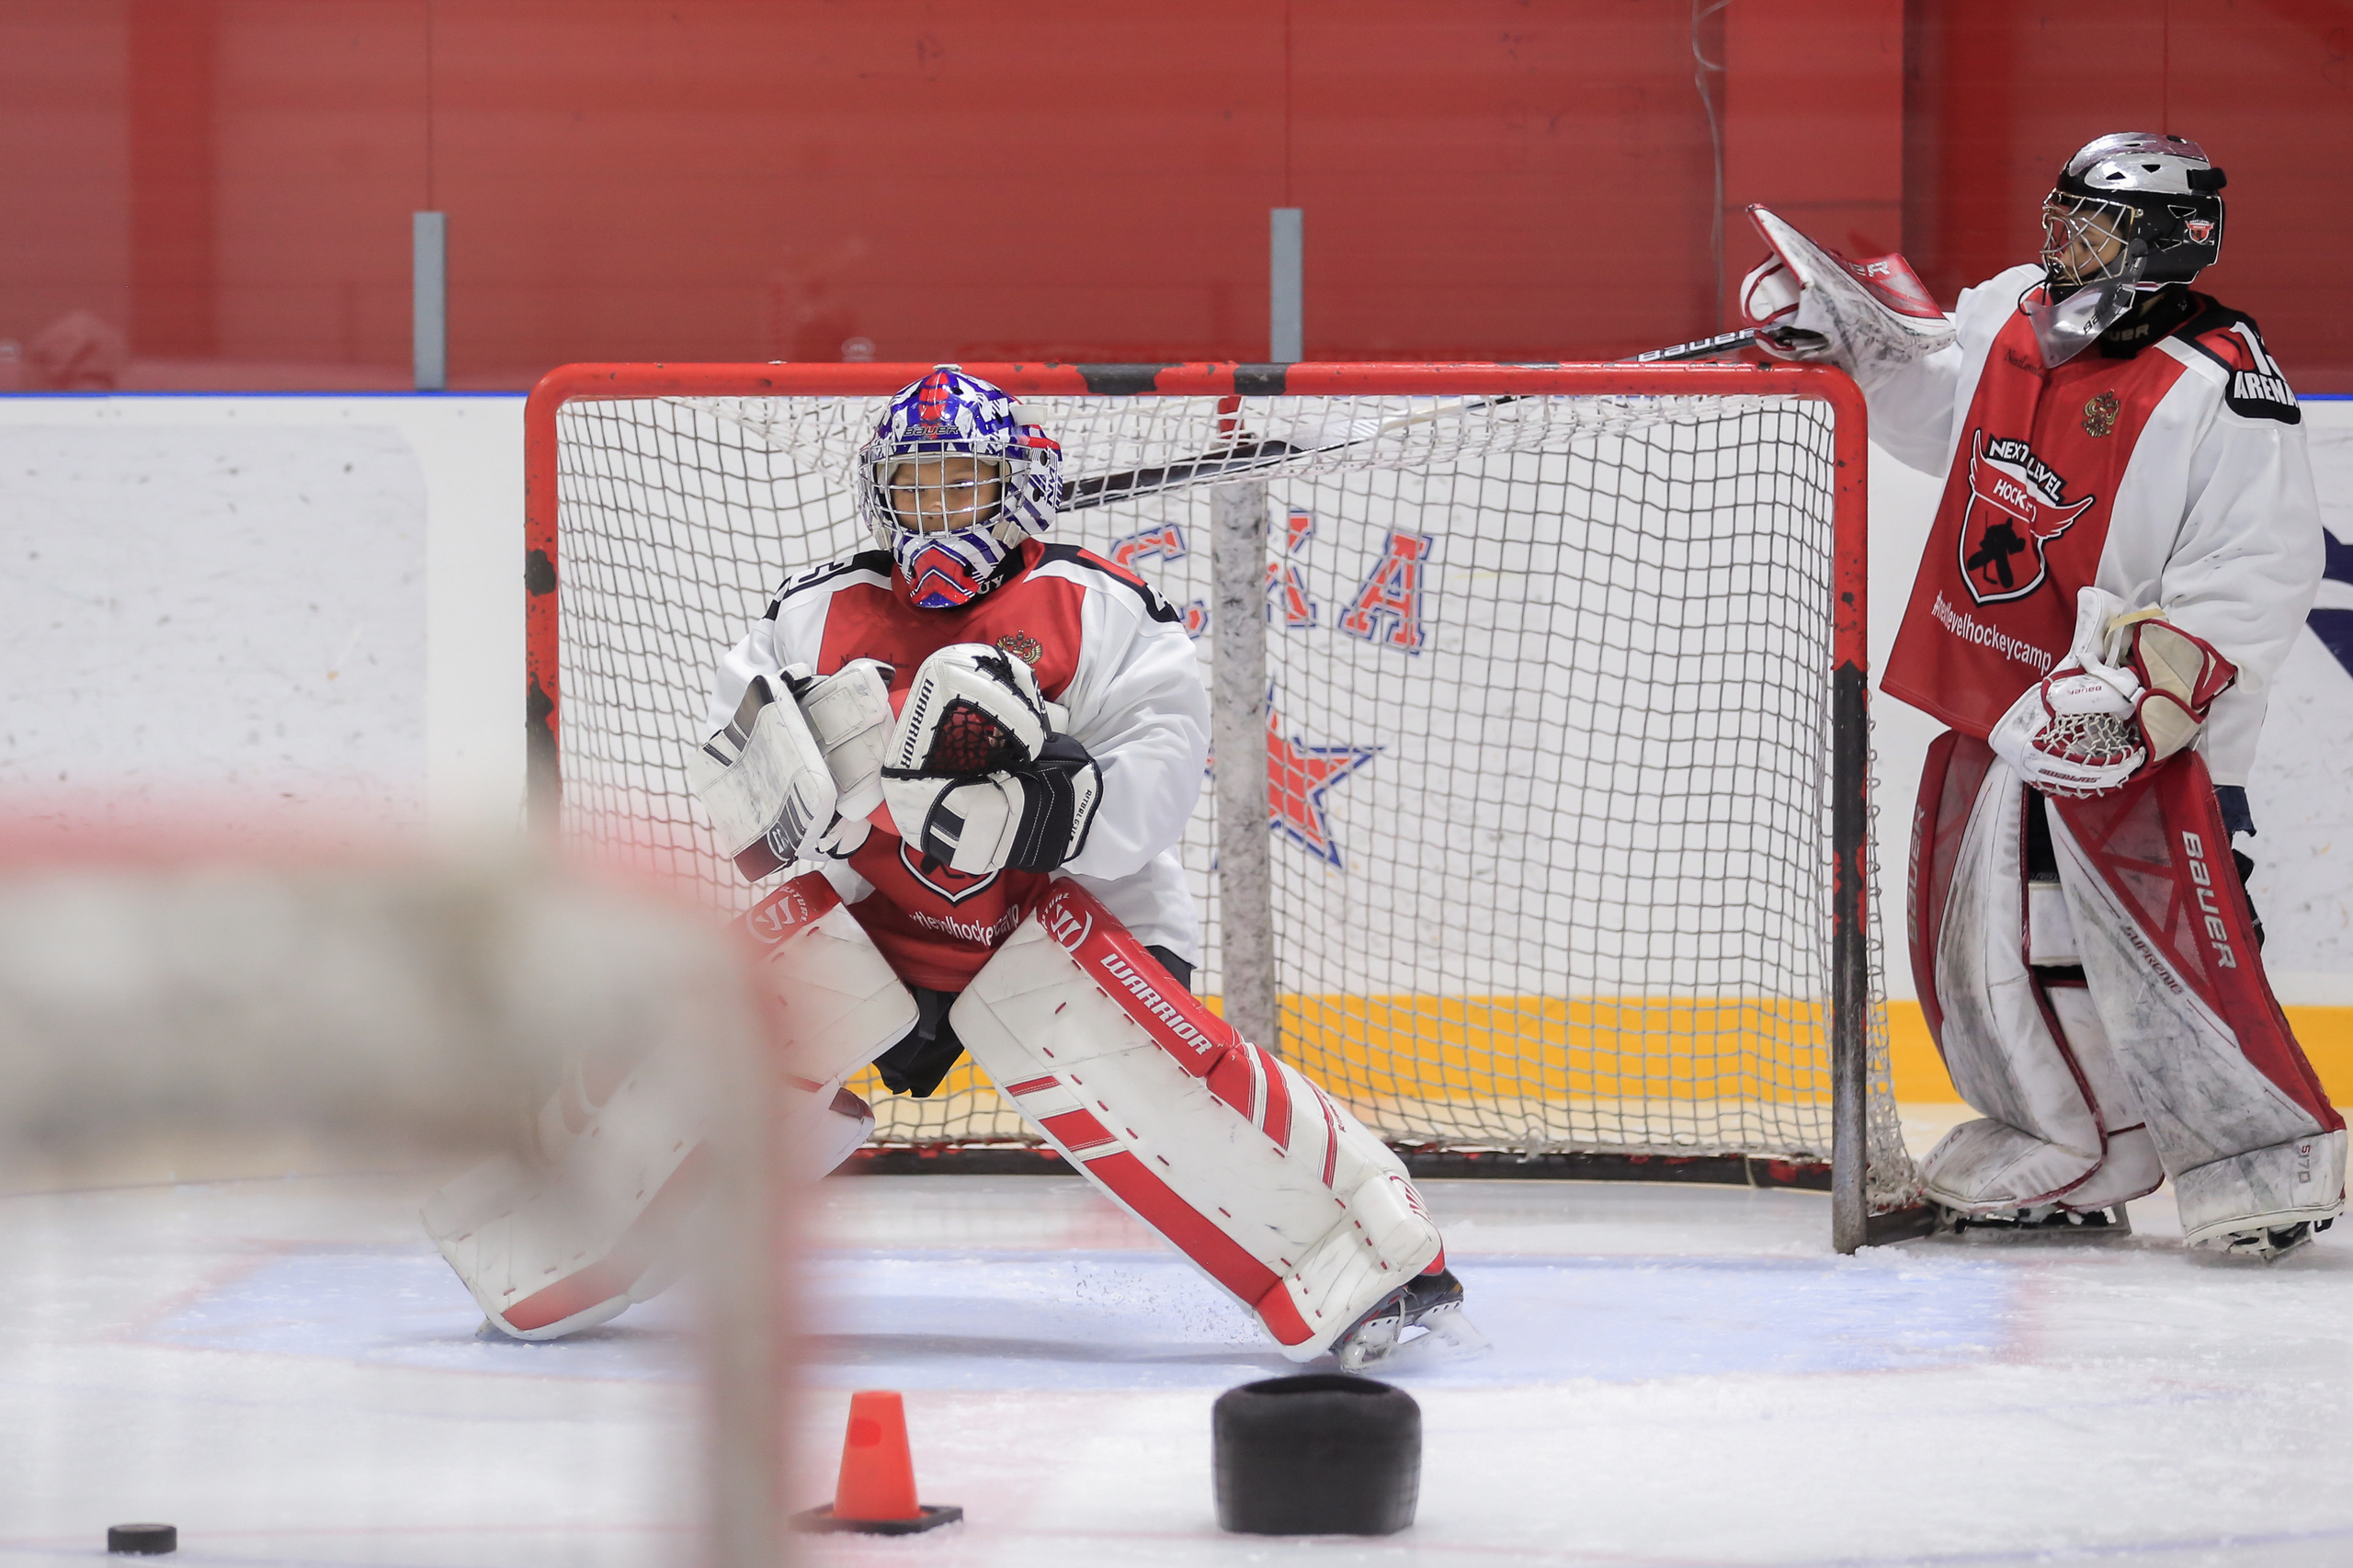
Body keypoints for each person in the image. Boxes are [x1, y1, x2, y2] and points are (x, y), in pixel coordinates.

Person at [428, 367, 1477, 1366]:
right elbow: (743, 802)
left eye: (957, 484)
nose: (933, 513)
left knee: (1153, 1084)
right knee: (713, 1034)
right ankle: (539, 1250)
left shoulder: (1102, 608)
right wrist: (807, 800)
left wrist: (1043, 806)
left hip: (1065, 919)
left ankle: (1370, 1262)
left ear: (1013, 485)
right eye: (911, 488)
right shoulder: (811, 613)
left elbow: (1152, 796)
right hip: (872, 934)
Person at [1740, 132, 2340, 1258]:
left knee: (2165, 947)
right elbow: (1937, 413)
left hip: (2123, 725)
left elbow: (2256, 565)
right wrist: (1851, 349)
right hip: (1994, 689)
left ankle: (2264, 1163)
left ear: (2168, 242)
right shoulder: (2016, 304)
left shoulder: (2221, 377)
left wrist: (2142, 690)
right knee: (1998, 942)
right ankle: (2068, 1141)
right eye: (2064, 211)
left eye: (2096, 222)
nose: (2062, 237)